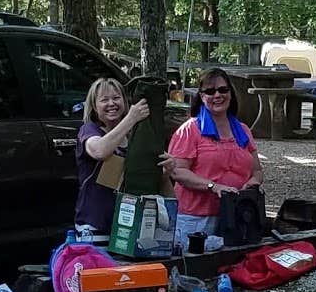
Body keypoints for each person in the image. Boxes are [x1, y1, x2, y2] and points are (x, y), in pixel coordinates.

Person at [162, 67, 264, 247]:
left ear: (231, 94)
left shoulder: (243, 130)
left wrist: (253, 182)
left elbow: (256, 170)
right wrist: (213, 186)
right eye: (210, 91)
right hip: (196, 218)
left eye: (223, 90)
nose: (217, 95)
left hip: (237, 216)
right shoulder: (189, 130)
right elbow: (177, 172)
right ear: (201, 97)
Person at [75, 78, 150, 238]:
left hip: (126, 226)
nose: (111, 104)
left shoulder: (132, 137)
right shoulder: (89, 130)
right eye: (104, 100)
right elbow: (100, 151)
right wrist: (131, 118)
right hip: (95, 225)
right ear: (95, 106)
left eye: (116, 98)